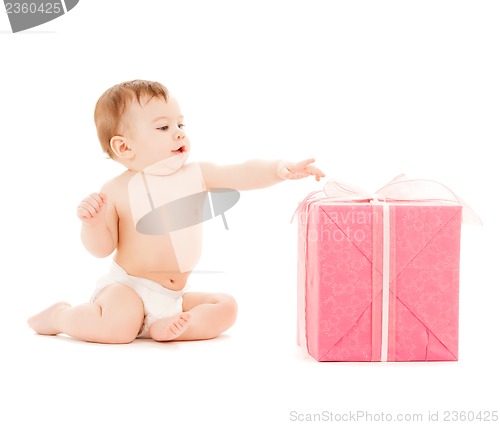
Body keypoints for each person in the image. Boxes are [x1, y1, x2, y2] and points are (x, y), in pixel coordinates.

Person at [27, 80, 325, 344]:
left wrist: (279, 170)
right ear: (124, 146)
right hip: (126, 289)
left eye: (180, 125)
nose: (178, 133)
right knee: (120, 326)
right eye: (163, 127)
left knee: (226, 306)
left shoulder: (198, 174)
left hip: (173, 298)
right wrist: (91, 224)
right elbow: (102, 248)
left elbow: (242, 172)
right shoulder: (117, 189)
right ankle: (61, 316)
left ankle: (169, 326)